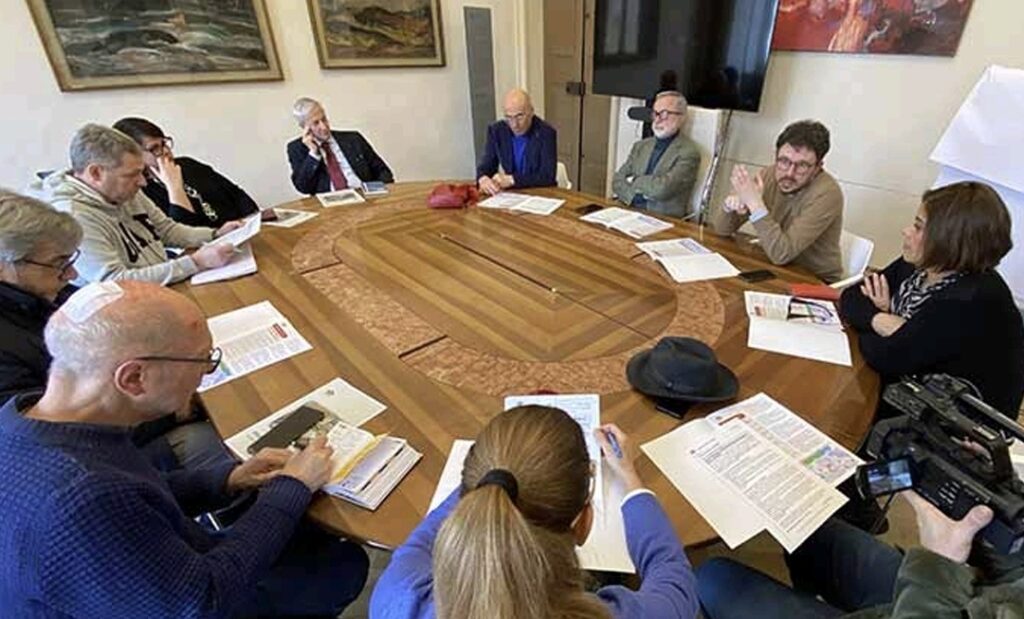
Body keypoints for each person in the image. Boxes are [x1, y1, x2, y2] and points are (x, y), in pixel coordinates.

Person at [0, 280, 369, 617]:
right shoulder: (82, 496)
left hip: (151, 576)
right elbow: (204, 602)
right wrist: (293, 487)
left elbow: (139, 494)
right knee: (341, 565)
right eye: (203, 361)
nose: (206, 375)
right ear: (134, 377)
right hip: (193, 597)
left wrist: (229, 478)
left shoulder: (29, 420)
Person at [369, 405, 699, 619]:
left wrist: (498, 470)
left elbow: (420, 544)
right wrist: (629, 476)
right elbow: (673, 576)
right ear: (583, 522)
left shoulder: (398, 596)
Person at [0, 189, 233, 473]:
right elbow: (63, 442)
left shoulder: (44, 295)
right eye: (58, 264)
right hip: (110, 453)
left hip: (141, 405)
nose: (72, 275)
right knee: (220, 435)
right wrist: (175, 411)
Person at [840, 181, 1024, 419]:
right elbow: (852, 297)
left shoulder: (971, 299)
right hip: (906, 392)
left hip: (950, 425)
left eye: (918, 227)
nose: (906, 231)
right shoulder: (923, 265)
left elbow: (887, 357)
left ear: (949, 240)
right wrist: (883, 320)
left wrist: (887, 329)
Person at [696, 492, 1024, 618]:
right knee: (808, 528)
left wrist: (939, 565)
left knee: (711, 578)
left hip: (932, 600)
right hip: (972, 599)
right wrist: (999, 506)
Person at [34, 124, 239, 286]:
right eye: (132, 174)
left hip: (162, 286)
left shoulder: (125, 191)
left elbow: (168, 230)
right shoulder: (71, 216)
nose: (142, 182)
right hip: (125, 306)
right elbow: (114, 281)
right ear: (96, 173)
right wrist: (196, 262)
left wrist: (215, 234)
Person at [710, 120, 844, 282]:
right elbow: (722, 230)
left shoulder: (828, 194)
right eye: (784, 161)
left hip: (816, 280)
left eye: (802, 165)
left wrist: (755, 204)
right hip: (776, 269)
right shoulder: (769, 174)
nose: (789, 173)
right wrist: (730, 205)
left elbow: (781, 254)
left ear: (818, 167)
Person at [112, 117, 265, 228]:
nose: (165, 151)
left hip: (239, 232)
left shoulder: (188, 164)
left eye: (164, 143)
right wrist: (174, 187)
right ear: (133, 155)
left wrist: (250, 221)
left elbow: (236, 194)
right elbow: (183, 233)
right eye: (154, 148)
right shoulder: (140, 192)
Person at [611, 91, 701, 218]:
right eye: (655, 113)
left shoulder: (689, 152)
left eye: (664, 114)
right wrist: (639, 194)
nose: (658, 120)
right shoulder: (641, 146)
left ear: (681, 117)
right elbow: (617, 181)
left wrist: (635, 180)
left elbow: (663, 189)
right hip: (628, 210)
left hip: (661, 219)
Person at [286, 97, 394, 195]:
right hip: (330, 203)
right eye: (316, 123)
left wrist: (375, 192)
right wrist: (314, 154)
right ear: (304, 127)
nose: (324, 127)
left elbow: (383, 171)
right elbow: (303, 188)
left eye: (324, 119)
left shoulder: (353, 139)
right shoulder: (296, 149)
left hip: (365, 196)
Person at [476, 89, 558, 196]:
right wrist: (483, 179)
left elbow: (547, 177)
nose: (514, 124)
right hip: (512, 195)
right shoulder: (497, 131)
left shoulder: (546, 133)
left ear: (531, 112)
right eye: (508, 117)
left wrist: (512, 179)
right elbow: (486, 166)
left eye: (519, 116)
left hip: (540, 194)